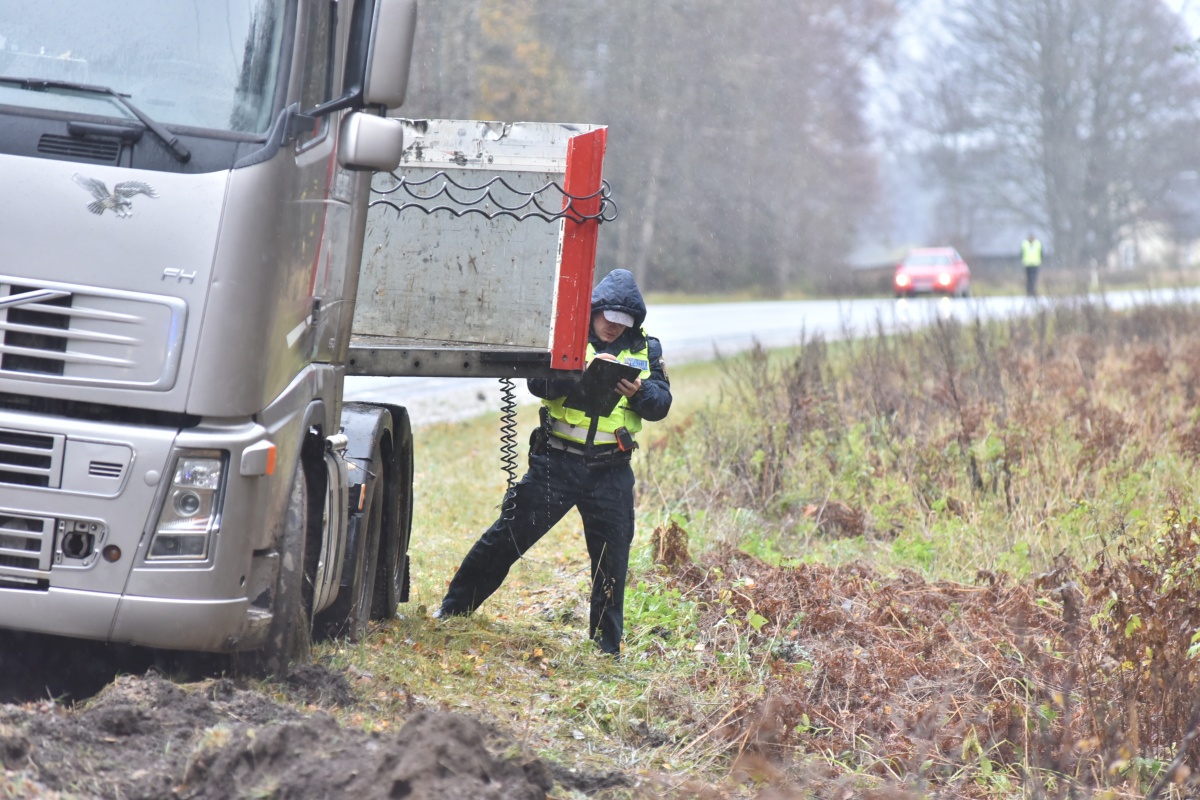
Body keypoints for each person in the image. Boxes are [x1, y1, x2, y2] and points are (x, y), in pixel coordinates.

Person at [433, 269, 672, 655]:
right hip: (557, 464)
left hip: (612, 469)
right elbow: (537, 384)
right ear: (595, 310)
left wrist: (639, 391)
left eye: (623, 322)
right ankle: (453, 609)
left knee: (612, 562)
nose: (613, 327)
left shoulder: (647, 348)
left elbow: (661, 404)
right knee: (506, 538)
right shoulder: (568, 338)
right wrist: (577, 374)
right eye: (609, 318)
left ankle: (606, 648)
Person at [1022, 232, 1043, 297]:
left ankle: (1033, 290)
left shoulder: (1038, 244)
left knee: (1033, 278)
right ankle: (1029, 291)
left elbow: (1041, 253)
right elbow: (1022, 253)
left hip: (1035, 264)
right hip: (1027, 264)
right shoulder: (1025, 244)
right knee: (1029, 278)